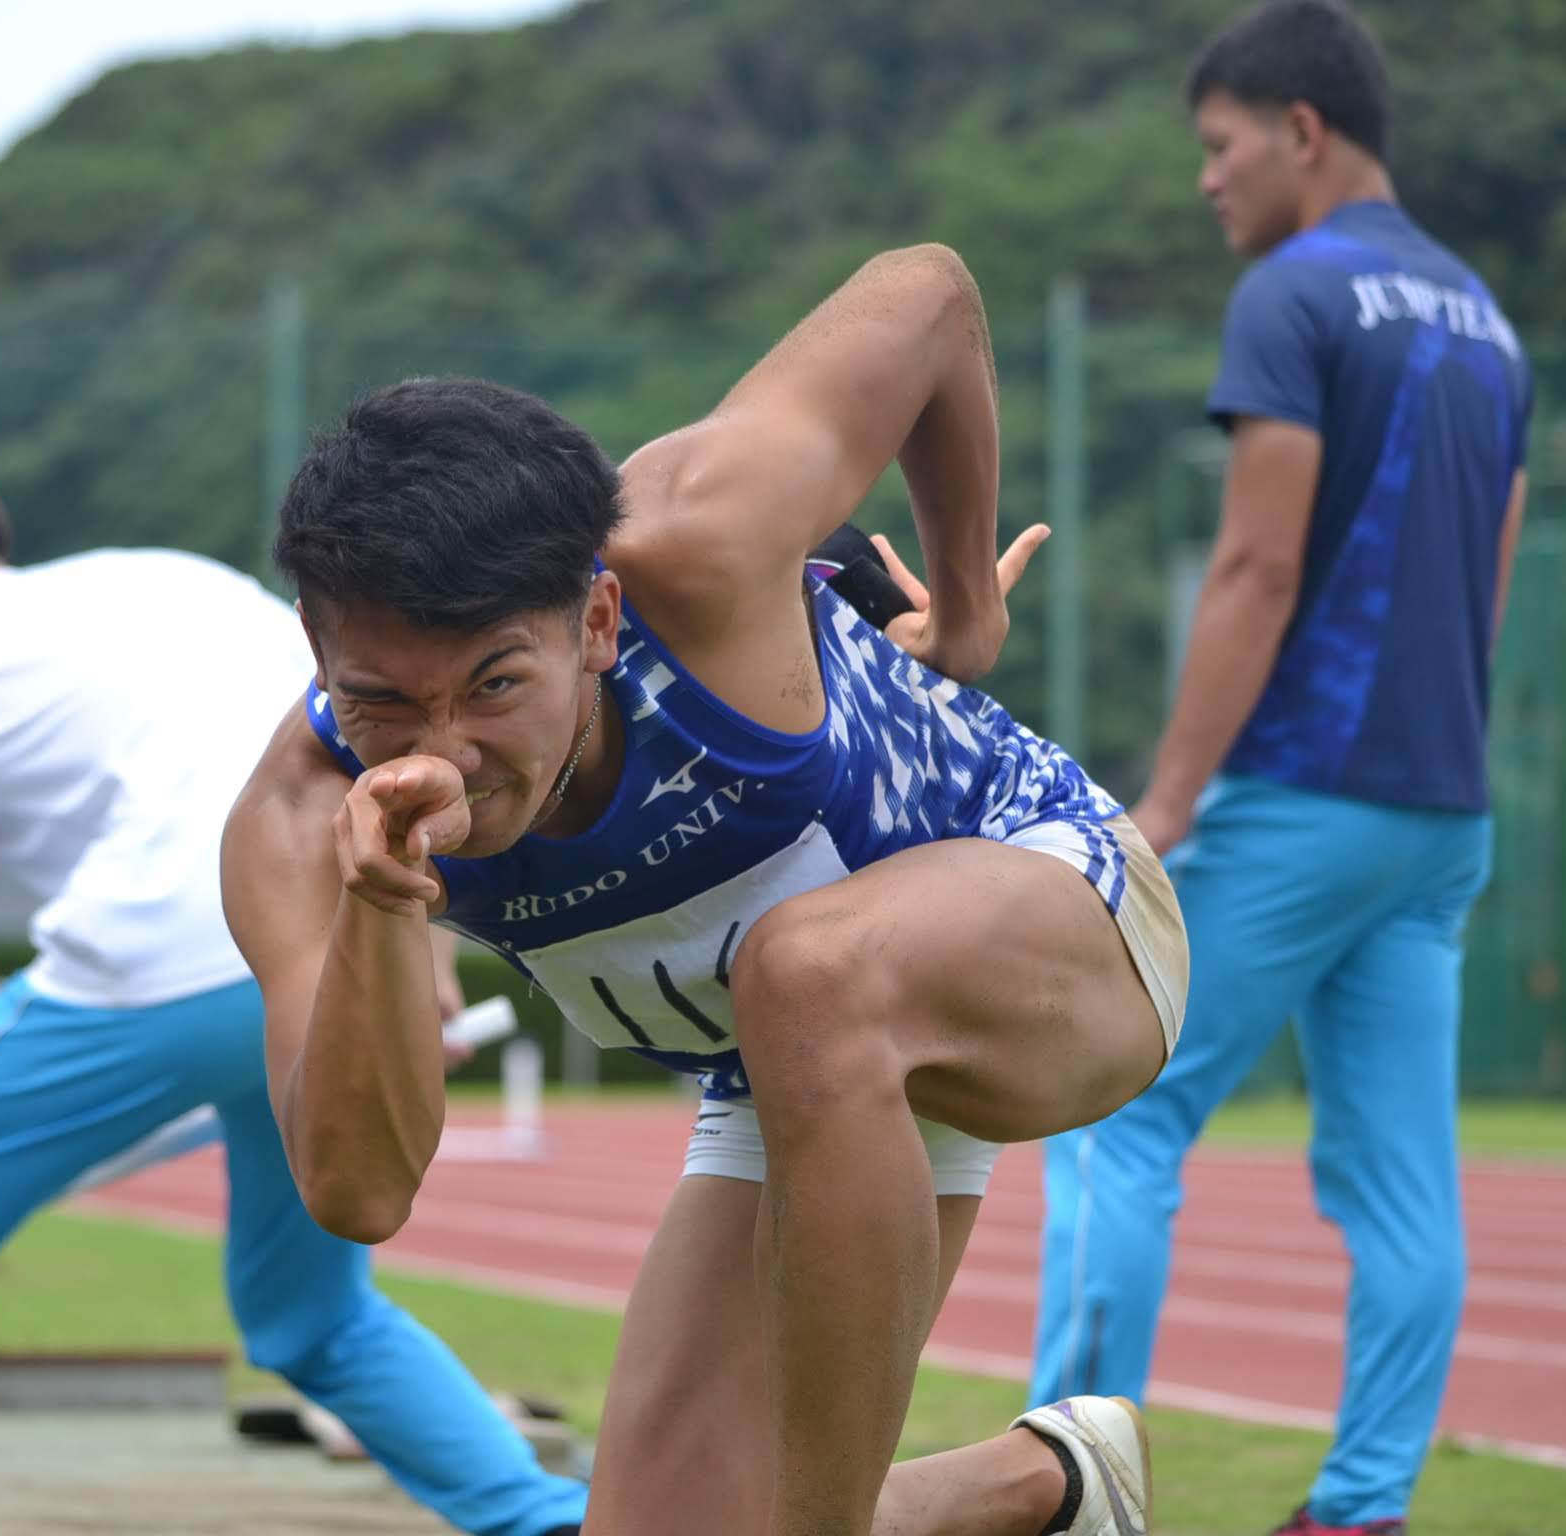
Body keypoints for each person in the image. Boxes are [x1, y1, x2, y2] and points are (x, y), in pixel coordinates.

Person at [221, 242, 1191, 1536]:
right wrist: (387, 906)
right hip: (796, 1076)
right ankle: (1051, 1484)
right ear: (317, 650)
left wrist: (965, 614)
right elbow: (359, 1194)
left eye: (496, 687)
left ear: (599, 623)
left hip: (1058, 907)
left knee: (806, 970)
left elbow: (936, 295)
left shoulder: (700, 531)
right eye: (386, 701)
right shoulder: (299, 818)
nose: (444, 750)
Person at [0, 438, 588, 1536]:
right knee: (309, 1320)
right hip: (324, 938)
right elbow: (347, 730)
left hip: (163, 959)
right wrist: (409, 950)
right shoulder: (157, 577)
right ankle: (544, 1522)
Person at [1026, 5, 1533, 1535]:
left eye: (1220, 143)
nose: (1208, 179)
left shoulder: (1294, 296)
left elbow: (1253, 565)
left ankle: (1067, 1489)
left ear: (1302, 131)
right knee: (1398, 1187)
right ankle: (1361, 1507)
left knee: (1116, 1114)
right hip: (1443, 814)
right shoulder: (1491, 326)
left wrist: (1168, 803)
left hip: (1300, 794)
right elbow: (1489, 591)